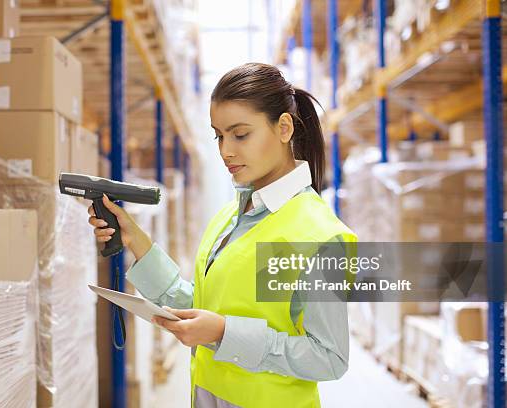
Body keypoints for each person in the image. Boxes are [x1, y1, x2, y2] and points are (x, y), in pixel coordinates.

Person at [88, 62, 357, 407]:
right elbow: (203, 307)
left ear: (284, 128)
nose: (226, 151)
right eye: (219, 135)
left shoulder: (319, 234)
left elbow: (330, 357)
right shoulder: (230, 217)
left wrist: (224, 333)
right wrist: (134, 240)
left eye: (240, 134)